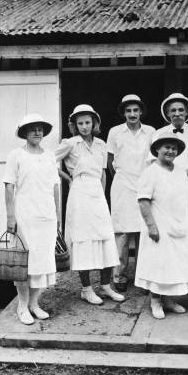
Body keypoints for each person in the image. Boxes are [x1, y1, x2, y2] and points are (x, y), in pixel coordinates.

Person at [55, 104, 125, 305]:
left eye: (87, 122)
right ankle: (86, 289)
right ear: (75, 125)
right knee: (83, 239)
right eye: (80, 123)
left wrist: (102, 196)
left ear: (94, 123)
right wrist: (67, 177)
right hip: (79, 193)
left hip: (97, 194)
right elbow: (48, 160)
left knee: (105, 237)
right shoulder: (70, 143)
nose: (84, 126)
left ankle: (105, 286)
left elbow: (103, 173)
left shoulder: (101, 144)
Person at [3, 113, 61, 325]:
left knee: (43, 261)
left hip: (46, 216)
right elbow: (9, 186)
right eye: (32, 128)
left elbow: (55, 187)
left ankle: (35, 303)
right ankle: (22, 305)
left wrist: (57, 215)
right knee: (25, 263)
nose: (37, 132)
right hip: (25, 215)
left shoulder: (49, 156)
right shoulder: (16, 155)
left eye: (40, 128)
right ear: (25, 133)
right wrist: (11, 217)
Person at [153, 92, 188, 294]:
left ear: (187, 112)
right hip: (167, 189)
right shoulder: (159, 133)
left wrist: (181, 176)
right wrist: (170, 180)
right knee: (170, 232)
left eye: (181, 110)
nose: (177, 113)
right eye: (173, 110)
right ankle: (170, 280)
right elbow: (155, 162)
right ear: (167, 113)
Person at [136, 132, 188, 319]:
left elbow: (187, 195)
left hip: (178, 224)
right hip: (159, 224)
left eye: (174, 148)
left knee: (174, 263)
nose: (170, 151)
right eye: (166, 147)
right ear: (157, 150)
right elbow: (143, 201)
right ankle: (155, 301)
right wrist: (151, 226)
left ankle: (169, 300)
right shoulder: (150, 172)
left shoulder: (179, 172)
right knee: (158, 263)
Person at [107, 94, 155, 292]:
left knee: (145, 231)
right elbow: (110, 162)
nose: (132, 114)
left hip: (144, 184)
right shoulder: (115, 132)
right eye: (128, 111)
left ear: (141, 111)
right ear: (123, 113)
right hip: (122, 186)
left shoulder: (151, 131)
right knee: (123, 233)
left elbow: (154, 159)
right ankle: (119, 276)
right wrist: (122, 177)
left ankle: (145, 276)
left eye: (136, 110)